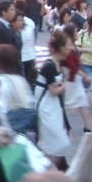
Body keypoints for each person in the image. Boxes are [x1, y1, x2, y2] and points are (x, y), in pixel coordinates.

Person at [35, 29, 72, 168]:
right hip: (47, 107)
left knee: (55, 140)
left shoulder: (57, 64)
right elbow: (54, 91)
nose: (70, 49)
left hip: (53, 107)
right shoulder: (49, 65)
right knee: (55, 139)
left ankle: (57, 168)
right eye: (68, 46)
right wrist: (64, 83)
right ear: (61, 47)